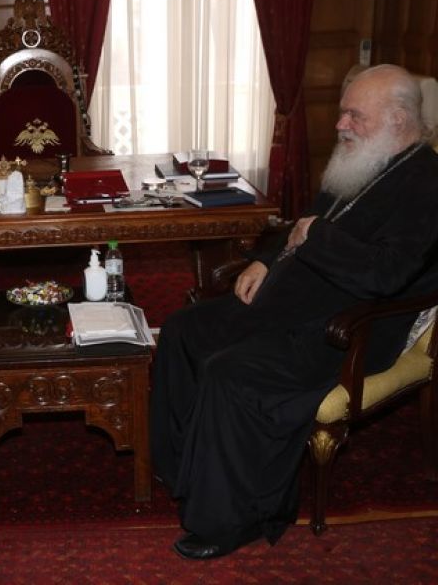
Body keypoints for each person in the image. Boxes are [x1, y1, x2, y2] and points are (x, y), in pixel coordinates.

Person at [150, 64, 438, 560]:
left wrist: (316, 237)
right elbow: (303, 220)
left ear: (397, 118)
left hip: (348, 328)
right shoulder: (364, 158)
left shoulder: (427, 184)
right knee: (182, 329)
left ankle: (231, 519)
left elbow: (387, 274)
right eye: (343, 113)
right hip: (294, 301)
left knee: (230, 371)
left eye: (354, 115)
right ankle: (183, 468)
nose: (340, 125)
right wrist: (264, 260)